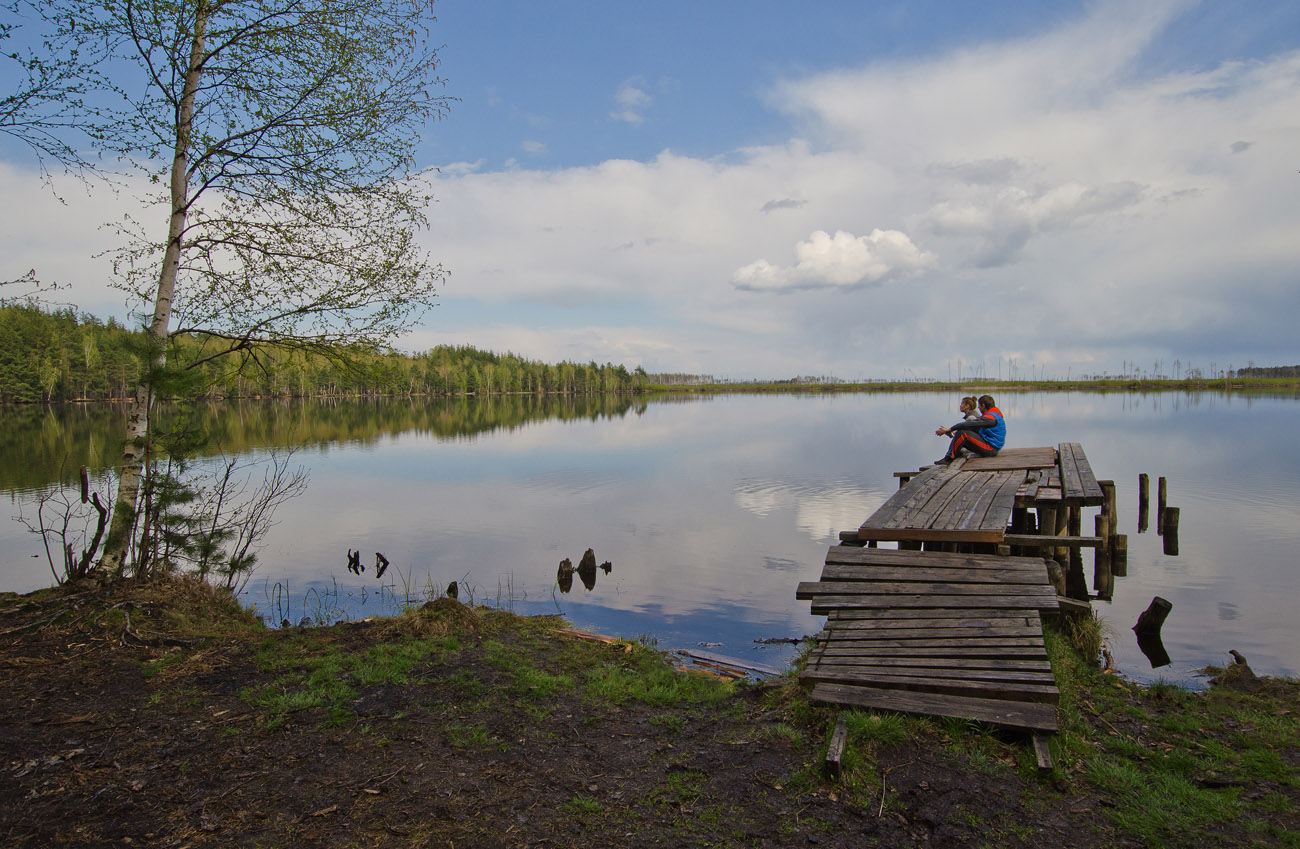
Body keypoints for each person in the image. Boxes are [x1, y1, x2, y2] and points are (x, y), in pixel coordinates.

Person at [934, 394, 1005, 465]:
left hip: (991, 449)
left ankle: (948, 459)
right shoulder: (994, 414)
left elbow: (967, 425)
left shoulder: (990, 418)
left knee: (962, 433)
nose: (979, 408)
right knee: (963, 432)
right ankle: (956, 453)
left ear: (983, 405)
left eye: (979, 406)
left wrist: (950, 430)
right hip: (991, 447)